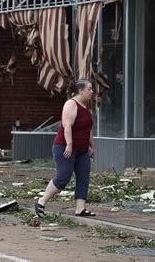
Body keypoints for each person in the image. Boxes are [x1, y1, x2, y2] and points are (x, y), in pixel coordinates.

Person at [35, 79, 96, 217]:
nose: (92, 92)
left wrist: (92, 146)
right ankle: (41, 201)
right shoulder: (71, 104)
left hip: (82, 150)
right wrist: (69, 145)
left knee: (83, 177)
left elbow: (88, 129)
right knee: (63, 177)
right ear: (80, 91)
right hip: (65, 147)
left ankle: (80, 208)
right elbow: (67, 125)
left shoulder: (86, 106)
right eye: (89, 89)